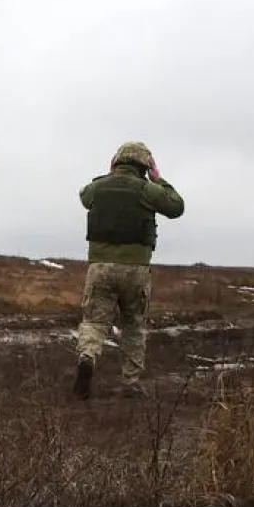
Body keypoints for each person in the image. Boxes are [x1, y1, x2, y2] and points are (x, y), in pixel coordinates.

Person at [73, 141, 184, 399]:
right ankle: (130, 382)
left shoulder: (96, 189)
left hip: (100, 267)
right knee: (133, 324)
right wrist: (160, 179)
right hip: (136, 269)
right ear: (145, 166)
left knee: (94, 321)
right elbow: (176, 207)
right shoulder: (148, 190)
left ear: (116, 162)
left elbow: (84, 196)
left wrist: (110, 175)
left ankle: (87, 358)